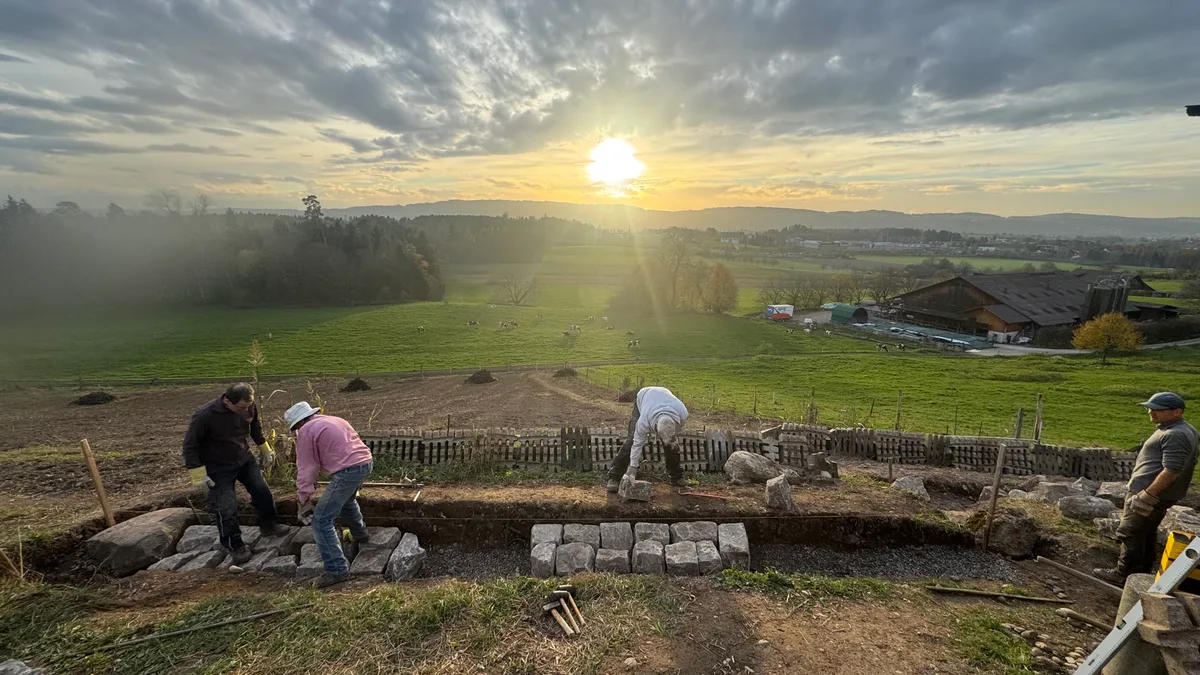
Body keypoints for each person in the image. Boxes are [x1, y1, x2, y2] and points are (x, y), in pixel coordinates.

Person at [1095, 392, 1198, 586]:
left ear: (1176, 412)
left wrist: (1148, 494)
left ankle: (1123, 574)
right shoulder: (1179, 429)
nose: (1151, 411)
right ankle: (1143, 571)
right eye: (1150, 407)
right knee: (1146, 530)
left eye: (1158, 409)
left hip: (1151, 493)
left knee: (1130, 531)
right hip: (1155, 492)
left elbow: (1172, 470)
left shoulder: (1176, 434)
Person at [182, 383, 288, 565]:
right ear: (227, 401)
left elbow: (255, 428)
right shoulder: (205, 416)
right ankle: (234, 544)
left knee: (261, 491)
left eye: (247, 407)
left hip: (244, 459)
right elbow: (189, 446)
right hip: (217, 468)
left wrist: (265, 450)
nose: (245, 410)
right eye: (240, 408)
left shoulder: (249, 406)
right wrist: (199, 476)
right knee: (226, 507)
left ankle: (269, 525)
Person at [285, 401, 374, 589]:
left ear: (298, 424)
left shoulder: (306, 432)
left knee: (321, 520)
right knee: (347, 501)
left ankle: (336, 570)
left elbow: (307, 469)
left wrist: (303, 499)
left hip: (348, 470)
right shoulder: (334, 420)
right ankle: (361, 534)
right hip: (365, 463)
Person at [606, 386, 689, 492]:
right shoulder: (643, 421)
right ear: (654, 427)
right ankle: (614, 477)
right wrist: (632, 470)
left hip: (664, 396)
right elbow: (637, 444)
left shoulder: (683, 413)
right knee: (631, 441)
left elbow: (673, 435)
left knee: (671, 445)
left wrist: (670, 440)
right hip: (644, 396)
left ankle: (677, 477)